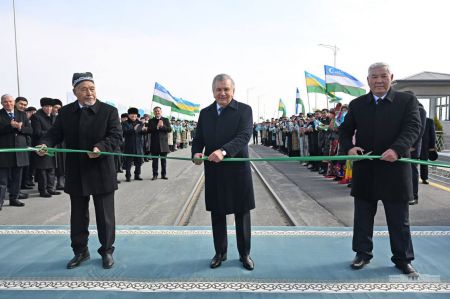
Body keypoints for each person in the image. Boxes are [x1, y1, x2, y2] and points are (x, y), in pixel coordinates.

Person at [339, 62, 421, 276]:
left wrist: (397, 149)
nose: (378, 80)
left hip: (395, 168)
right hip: (366, 168)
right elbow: (344, 131)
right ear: (368, 80)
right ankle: (362, 254)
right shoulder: (357, 104)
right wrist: (349, 148)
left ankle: (403, 259)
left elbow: (413, 127)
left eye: (383, 76)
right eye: (374, 77)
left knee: (399, 219)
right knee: (362, 217)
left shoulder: (407, 101)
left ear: (391, 77)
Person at [37, 72, 122, 269]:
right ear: (75, 92)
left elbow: (116, 136)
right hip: (77, 171)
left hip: (101, 169)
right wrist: (44, 144)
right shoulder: (66, 113)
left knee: (105, 216)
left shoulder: (109, 111)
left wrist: (101, 147)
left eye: (92, 88)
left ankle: (107, 251)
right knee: (78, 215)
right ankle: (80, 251)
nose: (89, 93)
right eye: (83, 89)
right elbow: (54, 134)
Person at [192, 74, 255, 271]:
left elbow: (244, 135)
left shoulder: (244, 110)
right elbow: (199, 136)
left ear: (233, 91)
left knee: (241, 213)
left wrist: (224, 151)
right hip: (214, 169)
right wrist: (196, 151)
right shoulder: (205, 112)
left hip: (237, 169)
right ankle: (220, 253)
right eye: (218, 89)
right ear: (213, 91)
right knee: (217, 213)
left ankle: (244, 254)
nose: (222, 93)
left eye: (226, 89)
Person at [0, 94, 32, 210]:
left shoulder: (22, 114)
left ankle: (14, 198)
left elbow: (30, 130)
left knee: (17, 178)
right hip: (4, 153)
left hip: (19, 152)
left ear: (14, 102)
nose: (8, 104)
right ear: (2, 103)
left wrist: (20, 128)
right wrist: (10, 126)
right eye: (5, 102)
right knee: (2, 180)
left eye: (10, 101)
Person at [31, 97, 61, 197]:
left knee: (51, 169)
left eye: (50, 106)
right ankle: (43, 190)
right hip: (41, 146)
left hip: (51, 146)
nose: (48, 108)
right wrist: (51, 133)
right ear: (42, 107)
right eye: (46, 106)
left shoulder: (53, 116)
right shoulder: (36, 116)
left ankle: (50, 188)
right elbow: (37, 132)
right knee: (42, 170)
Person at [122, 107, 146, 181]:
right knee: (128, 162)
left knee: (138, 162)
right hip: (129, 145)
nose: (134, 116)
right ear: (129, 115)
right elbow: (124, 132)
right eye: (132, 115)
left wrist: (145, 131)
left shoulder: (140, 123)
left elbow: (142, 132)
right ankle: (128, 176)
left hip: (138, 145)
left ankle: (137, 175)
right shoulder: (124, 123)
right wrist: (134, 129)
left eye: (135, 115)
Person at [148, 106, 171, 180]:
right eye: (155, 111)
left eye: (158, 111)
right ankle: (155, 175)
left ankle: (163, 175)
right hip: (154, 144)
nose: (157, 112)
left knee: (163, 161)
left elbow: (169, 129)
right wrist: (157, 127)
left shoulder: (166, 119)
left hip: (163, 144)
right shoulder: (151, 120)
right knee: (155, 161)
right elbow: (149, 130)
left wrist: (162, 126)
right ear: (154, 112)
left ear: (161, 112)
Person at [419, 117, 437, 185]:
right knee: (424, 162)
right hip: (425, 145)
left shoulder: (413, 117)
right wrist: (432, 146)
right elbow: (432, 134)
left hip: (414, 144)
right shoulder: (429, 121)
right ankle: (424, 178)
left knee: (412, 162)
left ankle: (412, 177)